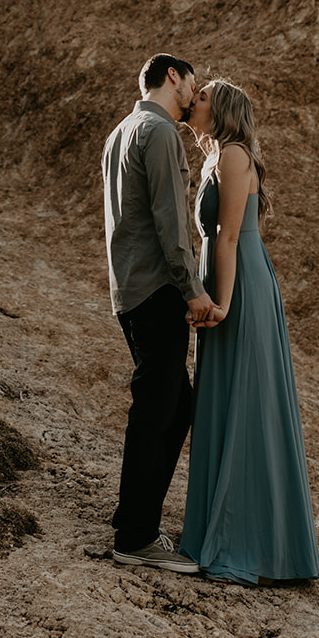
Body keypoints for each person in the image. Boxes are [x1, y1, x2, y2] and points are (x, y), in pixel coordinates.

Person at [180, 78, 319, 585]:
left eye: (199, 99)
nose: (191, 102)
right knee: (224, 401)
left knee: (247, 403)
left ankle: (254, 543)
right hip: (224, 285)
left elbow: (231, 235)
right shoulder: (216, 157)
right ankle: (227, 530)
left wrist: (222, 302)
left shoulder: (234, 156)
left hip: (239, 289)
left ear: (220, 110)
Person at [102, 53, 217, 571]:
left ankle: (136, 518)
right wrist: (192, 290)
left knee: (173, 407)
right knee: (157, 410)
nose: (196, 91)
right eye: (193, 80)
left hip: (128, 290)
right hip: (157, 290)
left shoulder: (121, 131)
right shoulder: (161, 132)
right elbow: (171, 221)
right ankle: (135, 536)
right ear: (174, 76)